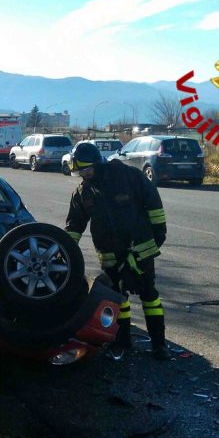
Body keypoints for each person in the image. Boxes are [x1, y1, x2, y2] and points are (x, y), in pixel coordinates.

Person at [64, 142, 170, 360]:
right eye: (81, 172)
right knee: (117, 298)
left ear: (98, 163)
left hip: (139, 249)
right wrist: (63, 250)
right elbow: (74, 226)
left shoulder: (128, 176)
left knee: (149, 296)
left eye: (87, 170)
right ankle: (122, 341)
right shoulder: (83, 192)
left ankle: (159, 345)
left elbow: (153, 203)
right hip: (109, 252)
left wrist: (158, 234)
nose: (85, 175)